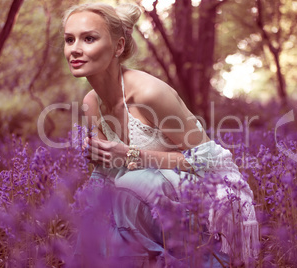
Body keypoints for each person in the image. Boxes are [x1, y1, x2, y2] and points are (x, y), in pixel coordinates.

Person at [63, 2, 258, 267]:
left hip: (208, 195)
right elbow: (108, 173)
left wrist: (130, 155)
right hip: (151, 200)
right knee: (104, 206)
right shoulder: (91, 103)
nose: (75, 49)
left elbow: (208, 163)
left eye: (88, 38)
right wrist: (98, 167)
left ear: (118, 47)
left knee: (133, 183)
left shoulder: (149, 94)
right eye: (69, 39)